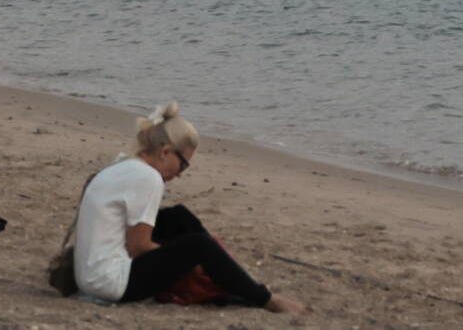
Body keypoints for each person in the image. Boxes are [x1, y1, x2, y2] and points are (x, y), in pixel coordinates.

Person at [67, 103, 305, 314]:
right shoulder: (148, 177)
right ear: (165, 152)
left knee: (177, 218)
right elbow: (138, 247)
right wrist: (191, 262)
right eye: (183, 164)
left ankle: (219, 277)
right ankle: (266, 299)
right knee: (199, 246)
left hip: (89, 275)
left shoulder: (124, 164)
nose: (180, 174)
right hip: (111, 283)